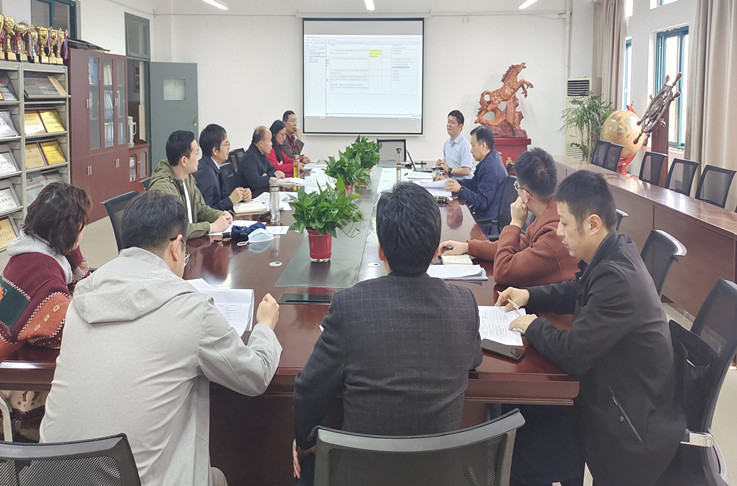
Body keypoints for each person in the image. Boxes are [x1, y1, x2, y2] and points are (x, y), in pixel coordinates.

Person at [40, 190, 283, 486]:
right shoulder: (190, 308)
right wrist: (264, 327)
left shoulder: (81, 298)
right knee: (217, 477)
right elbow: (255, 375)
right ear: (176, 247)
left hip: (53, 476)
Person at [496, 170, 686, 486]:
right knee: (517, 416)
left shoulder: (617, 280)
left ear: (593, 224)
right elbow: (577, 289)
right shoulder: (615, 250)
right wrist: (529, 295)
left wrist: (533, 325)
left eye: (565, 223)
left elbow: (573, 354)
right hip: (610, 395)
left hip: (624, 424)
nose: (559, 232)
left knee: (516, 454)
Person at [292, 182, 483, 485]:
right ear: (437, 252)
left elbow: (307, 390)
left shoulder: (350, 306)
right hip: (439, 476)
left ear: (380, 250)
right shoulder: (464, 304)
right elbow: (474, 357)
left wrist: (305, 441)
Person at [0, 182, 91, 440]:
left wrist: (72, 250)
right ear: (70, 229)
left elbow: (82, 284)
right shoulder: (46, 278)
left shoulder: (28, 250)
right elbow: (66, 332)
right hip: (12, 385)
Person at [440, 148, 578, 287]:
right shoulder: (549, 211)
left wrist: (515, 223)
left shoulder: (554, 233)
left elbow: (503, 271)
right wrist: (468, 247)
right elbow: (518, 246)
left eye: (517, 186)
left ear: (526, 195)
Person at [149, 130, 232, 238]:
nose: (199, 158)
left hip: (191, 242)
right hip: (176, 246)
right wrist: (211, 227)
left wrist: (220, 215)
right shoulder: (163, 189)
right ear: (184, 160)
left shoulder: (186, 176)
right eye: (196, 153)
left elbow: (201, 209)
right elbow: (175, 229)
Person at [444, 125, 507, 222]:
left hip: (486, 221)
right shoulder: (491, 159)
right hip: (482, 214)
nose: (471, 150)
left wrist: (460, 189)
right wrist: (451, 182)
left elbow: (482, 202)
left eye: (473, 146)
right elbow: (473, 183)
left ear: (483, 146)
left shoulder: (490, 167)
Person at [194, 123, 251, 211]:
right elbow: (205, 211)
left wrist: (240, 196)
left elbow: (218, 198)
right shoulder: (206, 173)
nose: (229, 148)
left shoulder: (211, 167)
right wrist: (230, 200)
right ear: (215, 151)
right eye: (226, 144)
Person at [237, 126, 285, 191]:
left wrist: (267, 175)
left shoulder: (261, 154)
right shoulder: (250, 158)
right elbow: (255, 183)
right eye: (270, 140)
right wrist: (273, 176)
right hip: (251, 194)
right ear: (261, 143)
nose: (271, 144)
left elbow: (272, 169)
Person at [436, 109, 474, 180]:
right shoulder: (446, 144)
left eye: (452, 123)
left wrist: (449, 169)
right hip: (450, 181)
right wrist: (441, 164)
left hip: (463, 183)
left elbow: (466, 170)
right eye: (448, 122)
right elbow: (449, 166)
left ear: (460, 126)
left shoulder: (465, 145)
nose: (449, 125)